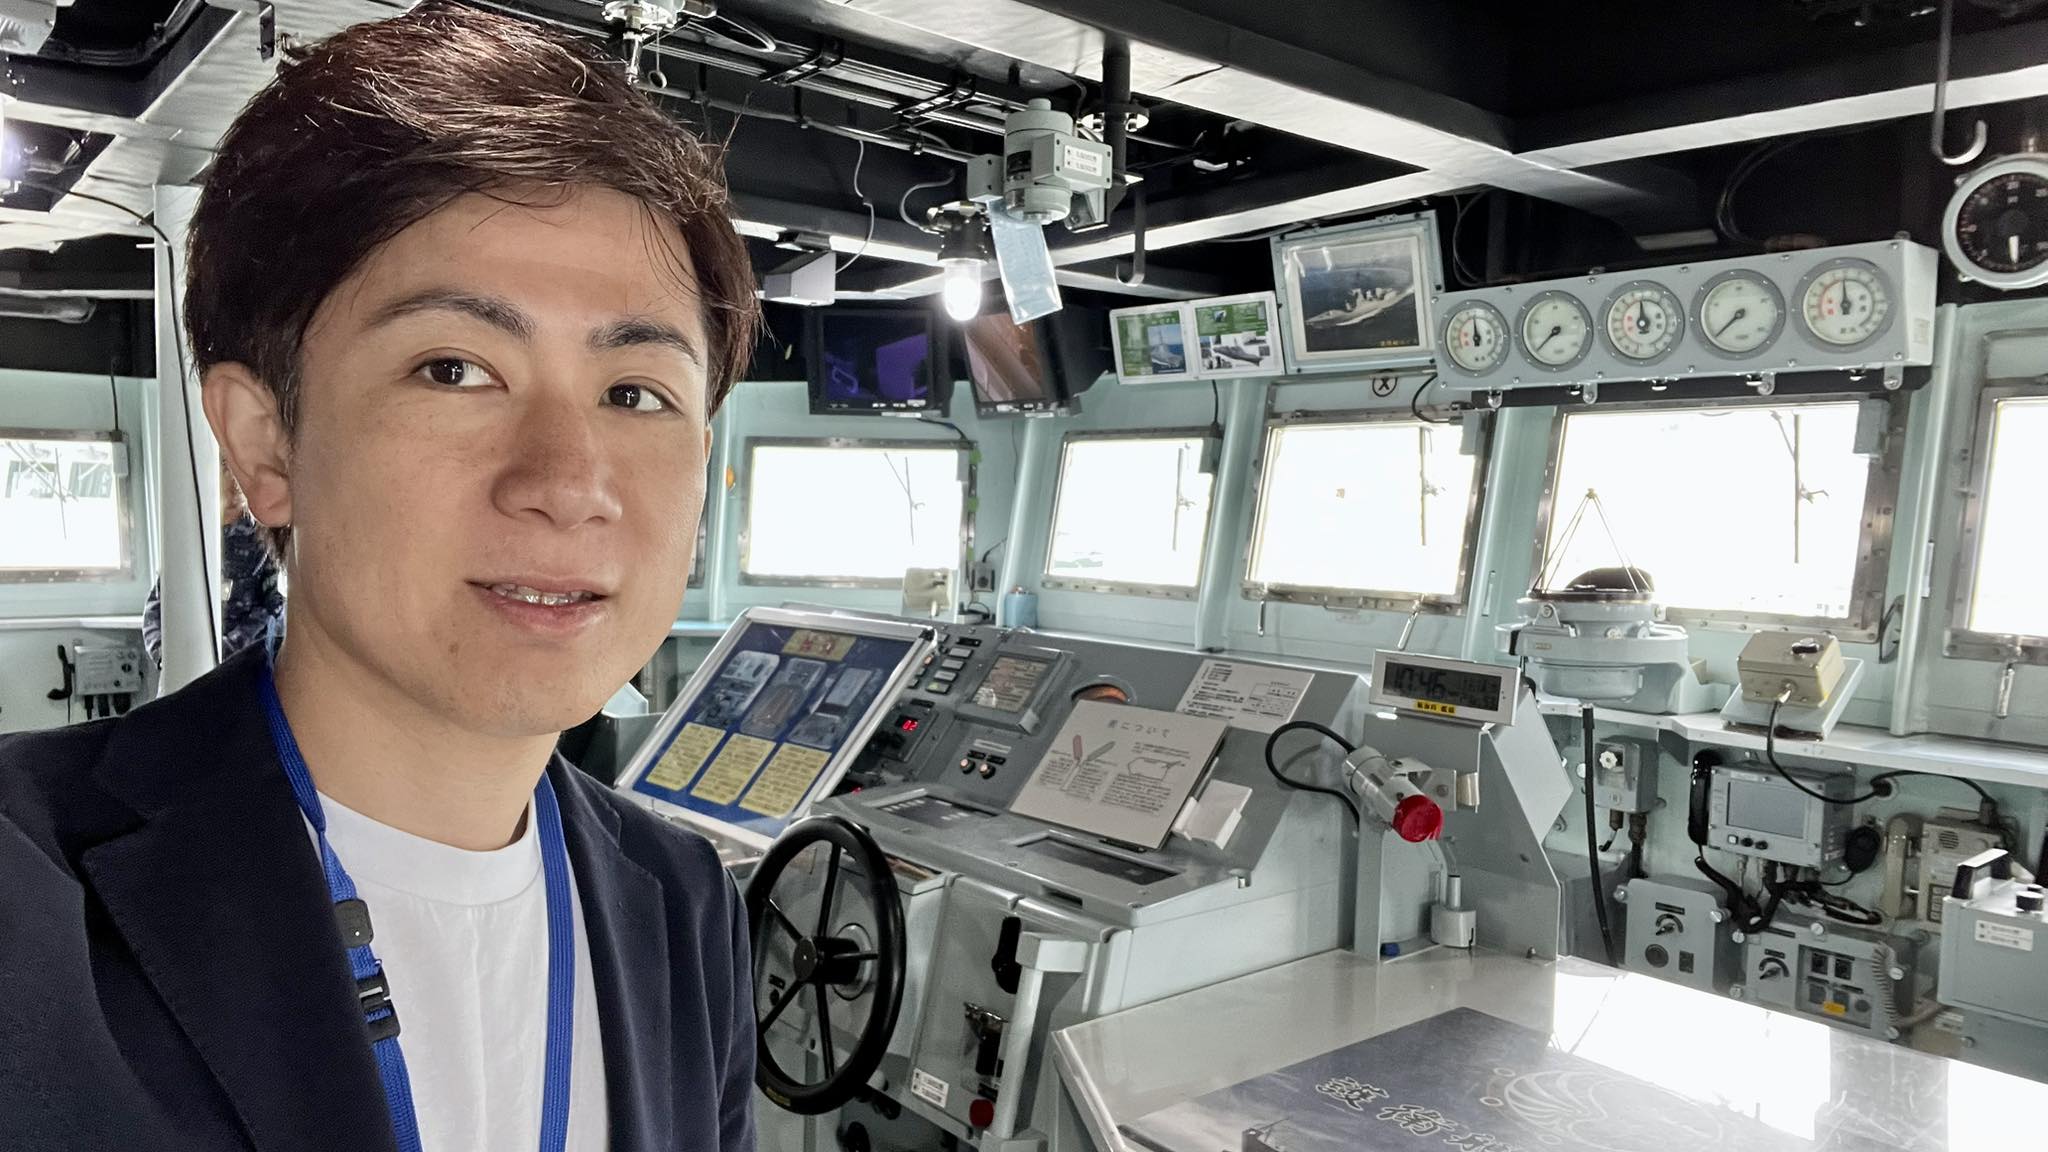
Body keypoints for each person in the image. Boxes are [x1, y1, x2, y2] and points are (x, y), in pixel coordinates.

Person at [0, 5, 761, 1151]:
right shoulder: (27, 908)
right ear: (264, 445)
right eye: (453, 369)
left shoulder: (684, 902)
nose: (568, 484)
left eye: (634, 393)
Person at [141, 463, 286, 666]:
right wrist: (165, 655)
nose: (234, 482)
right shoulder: (192, 534)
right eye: (226, 470)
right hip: (191, 661)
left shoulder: (263, 536)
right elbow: (158, 605)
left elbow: (271, 609)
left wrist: (219, 653)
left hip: (243, 662)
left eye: (238, 472)